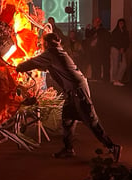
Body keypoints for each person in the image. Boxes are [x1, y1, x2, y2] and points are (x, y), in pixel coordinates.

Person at [16, 32, 121, 162]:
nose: (42, 45)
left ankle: (112, 147)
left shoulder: (52, 53)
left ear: (47, 44)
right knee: (67, 118)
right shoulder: (57, 52)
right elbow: (45, 66)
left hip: (77, 90)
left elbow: (32, 63)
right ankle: (68, 149)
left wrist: (18, 67)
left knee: (91, 121)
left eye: (42, 43)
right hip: (72, 91)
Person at [85, 17, 111, 81]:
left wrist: (105, 49)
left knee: (99, 64)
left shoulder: (103, 31)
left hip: (100, 50)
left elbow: (106, 41)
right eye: (94, 22)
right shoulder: (93, 30)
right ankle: (95, 77)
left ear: (99, 23)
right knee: (94, 64)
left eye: (96, 22)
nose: (94, 23)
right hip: (93, 50)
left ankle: (100, 78)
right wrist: (87, 29)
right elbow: (87, 35)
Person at [110, 18, 130, 86]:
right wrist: (119, 47)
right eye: (120, 23)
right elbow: (113, 41)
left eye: (122, 23)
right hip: (115, 49)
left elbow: (127, 42)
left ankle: (118, 78)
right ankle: (114, 79)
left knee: (124, 64)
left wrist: (123, 48)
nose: (121, 24)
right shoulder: (115, 32)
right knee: (115, 64)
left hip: (122, 50)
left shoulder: (125, 32)